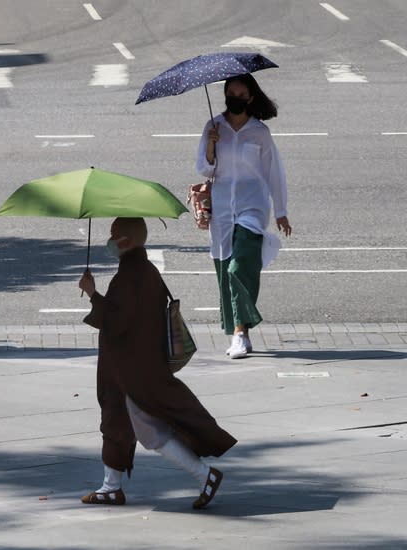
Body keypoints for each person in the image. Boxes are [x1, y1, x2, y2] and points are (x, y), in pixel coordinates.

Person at [78, 217, 236, 509]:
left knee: (149, 432)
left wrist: (92, 293)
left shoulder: (131, 275)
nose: (110, 240)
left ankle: (203, 475)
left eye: (114, 235)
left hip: (131, 373)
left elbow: (116, 321)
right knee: (118, 424)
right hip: (136, 367)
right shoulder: (143, 269)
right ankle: (110, 487)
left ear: (127, 241)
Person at [196, 73, 292, 359]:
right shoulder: (214, 126)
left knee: (240, 268)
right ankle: (240, 331)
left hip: (253, 206)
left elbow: (275, 172)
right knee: (226, 269)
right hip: (223, 207)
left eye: (240, 94)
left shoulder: (259, 132)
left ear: (250, 97)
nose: (234, 99)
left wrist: (282, 211)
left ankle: (240, 333)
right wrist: (212, 144)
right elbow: (204, 169)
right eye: (230, 94)